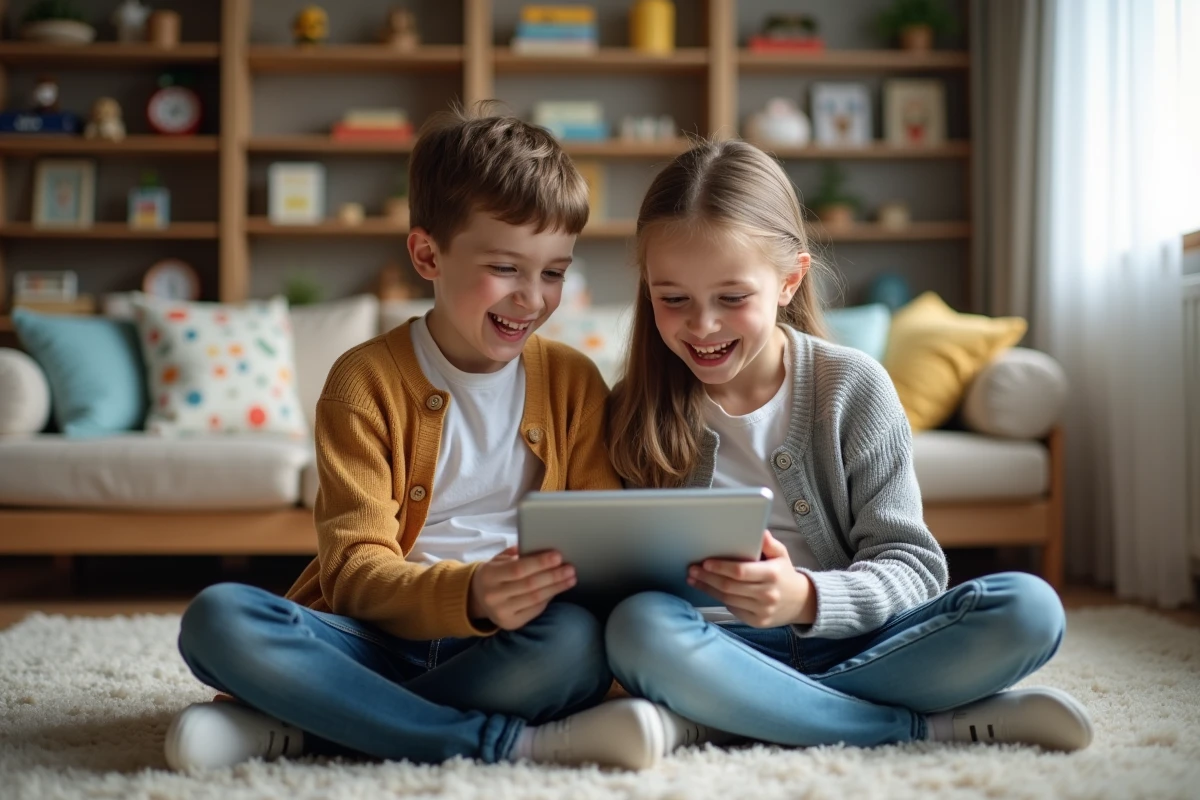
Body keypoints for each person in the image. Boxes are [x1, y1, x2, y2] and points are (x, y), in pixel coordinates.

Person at [164, 106, 694, 773]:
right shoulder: (363, 382)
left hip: (507, 646)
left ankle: (304, 726)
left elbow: (598, 553)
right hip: (372, 640)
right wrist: (471, 593)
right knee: (219, 619)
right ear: (427, 255)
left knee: (579, 644)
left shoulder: (573, 382)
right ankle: (508, 743)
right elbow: (353, 574)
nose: (532, 299)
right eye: (506, 267)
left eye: (554, 273)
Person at [603, 139, 1093, 753]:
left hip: (854, 641)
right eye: (673, 299)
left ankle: (725, 717)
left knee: (1030, 610)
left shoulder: (852, 386)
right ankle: (918, 727)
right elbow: (621, 580)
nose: (702, 326)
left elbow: (913, 567)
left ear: (789, 280)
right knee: (635, 628)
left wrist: (805, 598)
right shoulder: (632, 407)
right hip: (715, 647)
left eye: (732, 298)